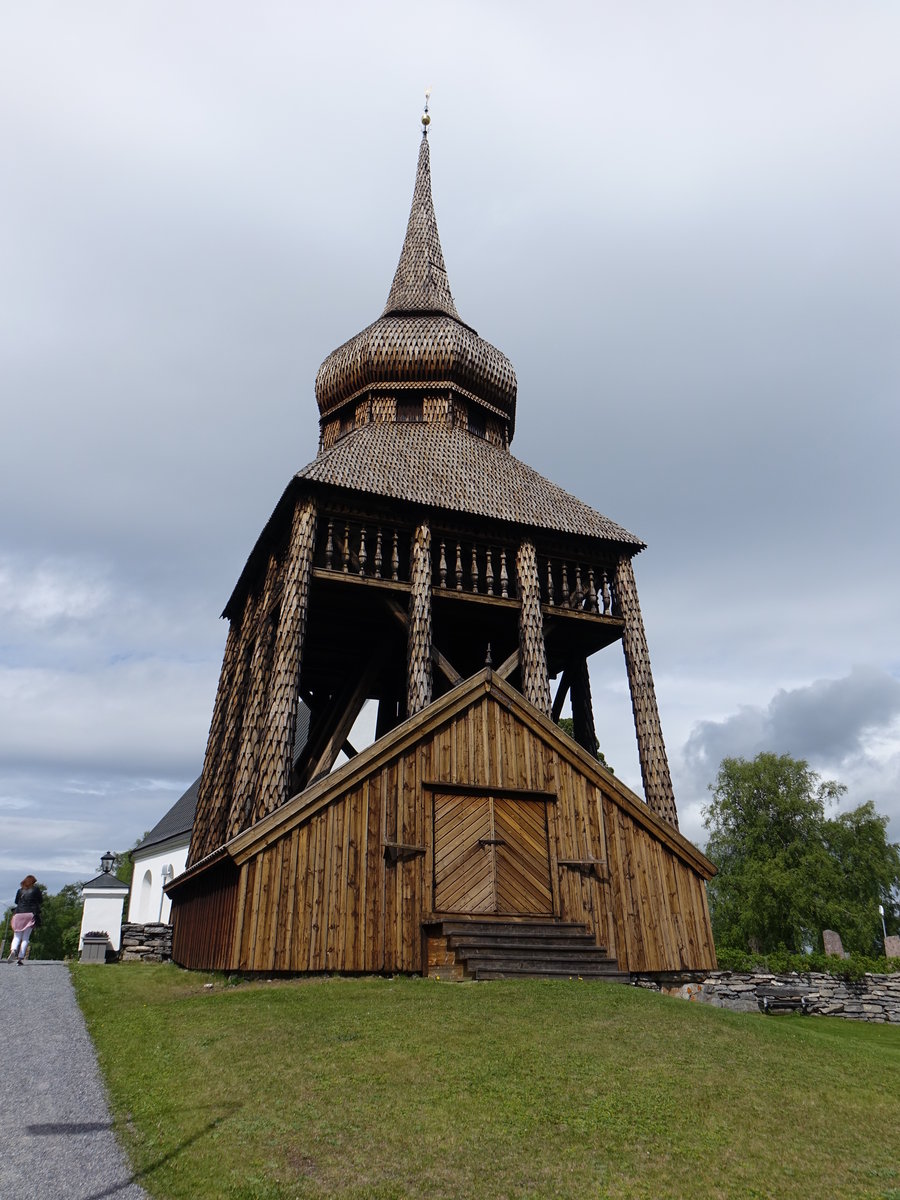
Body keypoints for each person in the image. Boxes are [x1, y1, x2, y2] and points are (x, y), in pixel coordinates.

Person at [7, 874, 42, 964]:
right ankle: (20, 957)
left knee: (17, 936)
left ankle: (13, 950)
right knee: (25, 937)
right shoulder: (36, 890)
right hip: (30, 914)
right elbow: (40, 901)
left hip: (18, 914)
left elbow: (16, 901)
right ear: (33, 882)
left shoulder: (20, 891)